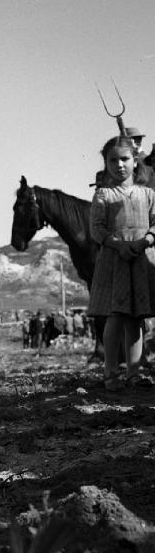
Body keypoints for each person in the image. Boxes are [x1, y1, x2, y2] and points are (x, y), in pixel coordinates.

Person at [88, 136, 155, 391]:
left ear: (135, 161)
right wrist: (119, 245)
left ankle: (134, 373)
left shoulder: (148, 194)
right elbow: (97, 229)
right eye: (112, 160)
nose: (119, 165)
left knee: (136, 319)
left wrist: (145, 241)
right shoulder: (103, 195)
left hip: (140, 259)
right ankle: (111, 374)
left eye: (125, 159)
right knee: (115, 317)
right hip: (114, 260)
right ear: (105, 164)